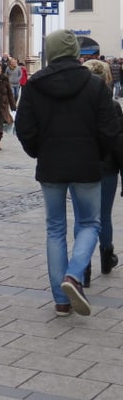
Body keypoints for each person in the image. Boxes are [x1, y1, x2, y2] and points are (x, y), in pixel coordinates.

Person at [15, 29, 120, 317]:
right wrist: (98, 154)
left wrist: (39, 150)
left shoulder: (34, 85)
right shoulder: (95, 85)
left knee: (55, 229)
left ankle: (61, 301)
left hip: (51, 166)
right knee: (90, 223)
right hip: (87, 165)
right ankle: (73, 274)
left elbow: (23, 128)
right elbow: (110, 131)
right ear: (75, 52)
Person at [73, 59, 122, 286]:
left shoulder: (74, 103)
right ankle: (106, 256)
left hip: (80, 167)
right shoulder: (112, 106)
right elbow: (118, 142)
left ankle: (83, 267)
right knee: (103, 215)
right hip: (107, 167)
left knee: (83, 218)